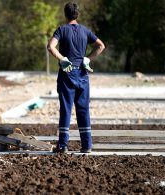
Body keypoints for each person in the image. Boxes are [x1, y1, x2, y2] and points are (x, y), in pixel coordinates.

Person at [47, 2, 105, 153]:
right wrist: (88, 59)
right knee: (83, 110)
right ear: (77, 14)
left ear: (65, 15)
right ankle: (87, 146)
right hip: (83, 75)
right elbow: (101, 46)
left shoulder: (62, 30)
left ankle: (63, 145)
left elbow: (50, 46)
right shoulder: (85, 31)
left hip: (67, 74)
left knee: (66, 109)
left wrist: (62, 58)